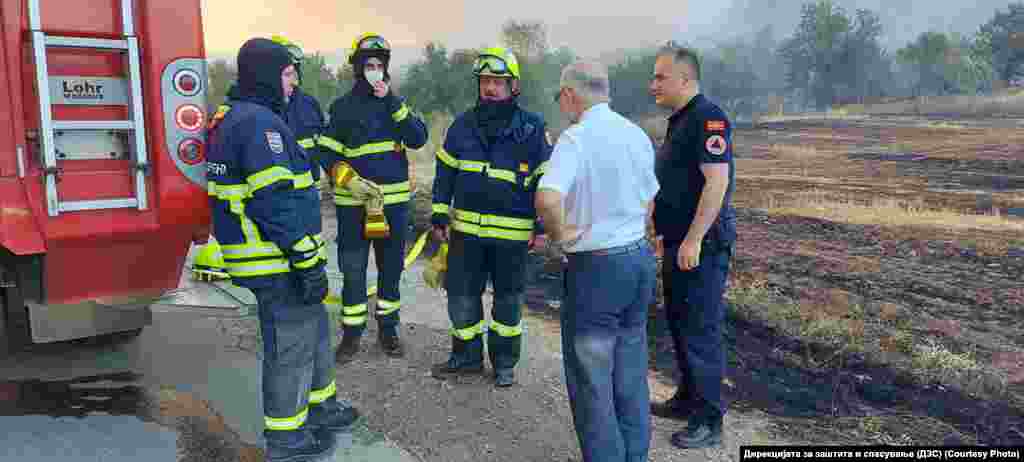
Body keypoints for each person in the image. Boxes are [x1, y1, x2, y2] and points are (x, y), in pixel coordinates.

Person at [205, 37, 359, 461]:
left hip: (276, 256)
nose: (294, 83)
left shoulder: (239, 118)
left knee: (314, 329)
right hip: (275, 259)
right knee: (290, 344)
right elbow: (274, 205)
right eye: (289, 74)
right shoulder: (259, 125)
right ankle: (287, 439)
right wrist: (307, 260)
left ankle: (321, 407)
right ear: (268, 75)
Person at [535, 60, 659, 462]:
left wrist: (561, 238)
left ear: (570, 94)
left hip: (597, 270)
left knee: (591, 379)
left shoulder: (576, 139)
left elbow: (547, 198)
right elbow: (649, 199)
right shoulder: (636, 135)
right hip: (637, 261)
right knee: (630, 372)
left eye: (560, 97)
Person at [429, 46, 551, 388]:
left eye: (498, 81)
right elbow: (445, 172)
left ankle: (504, 363)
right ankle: (466, 357)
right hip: (465, 235)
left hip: (512, 238)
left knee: (508, 305)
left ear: (514, 86)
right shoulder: (463, 126)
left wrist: (541, 226)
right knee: (461, 297)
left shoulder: (532, 128)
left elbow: (546, 180)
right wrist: (439, 212)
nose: (490, 87)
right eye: (484, 80)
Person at [317, 33, 428, 363]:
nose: (375, 70)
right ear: (357, 69)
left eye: (380, 65)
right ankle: (351, 336)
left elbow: (418, 138)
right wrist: (347, 180)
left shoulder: (396, 106)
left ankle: (388, 330)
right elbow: (327, 153)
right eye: (369, 65)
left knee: (390, 270)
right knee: (352, 272)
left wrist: (392, 101)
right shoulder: (342, 108)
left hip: (392, 208)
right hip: (354, 208)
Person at [647, 42, 737, 449]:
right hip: (678, 242)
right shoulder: (681, 120)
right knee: (681, 323)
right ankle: (687, 399)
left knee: (700, 329)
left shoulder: (708, 118)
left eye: (660, 77)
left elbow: (716, 182)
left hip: (700, 246)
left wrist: (695, 238)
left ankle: (709, 419)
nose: (653, 85)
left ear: (686, 79)